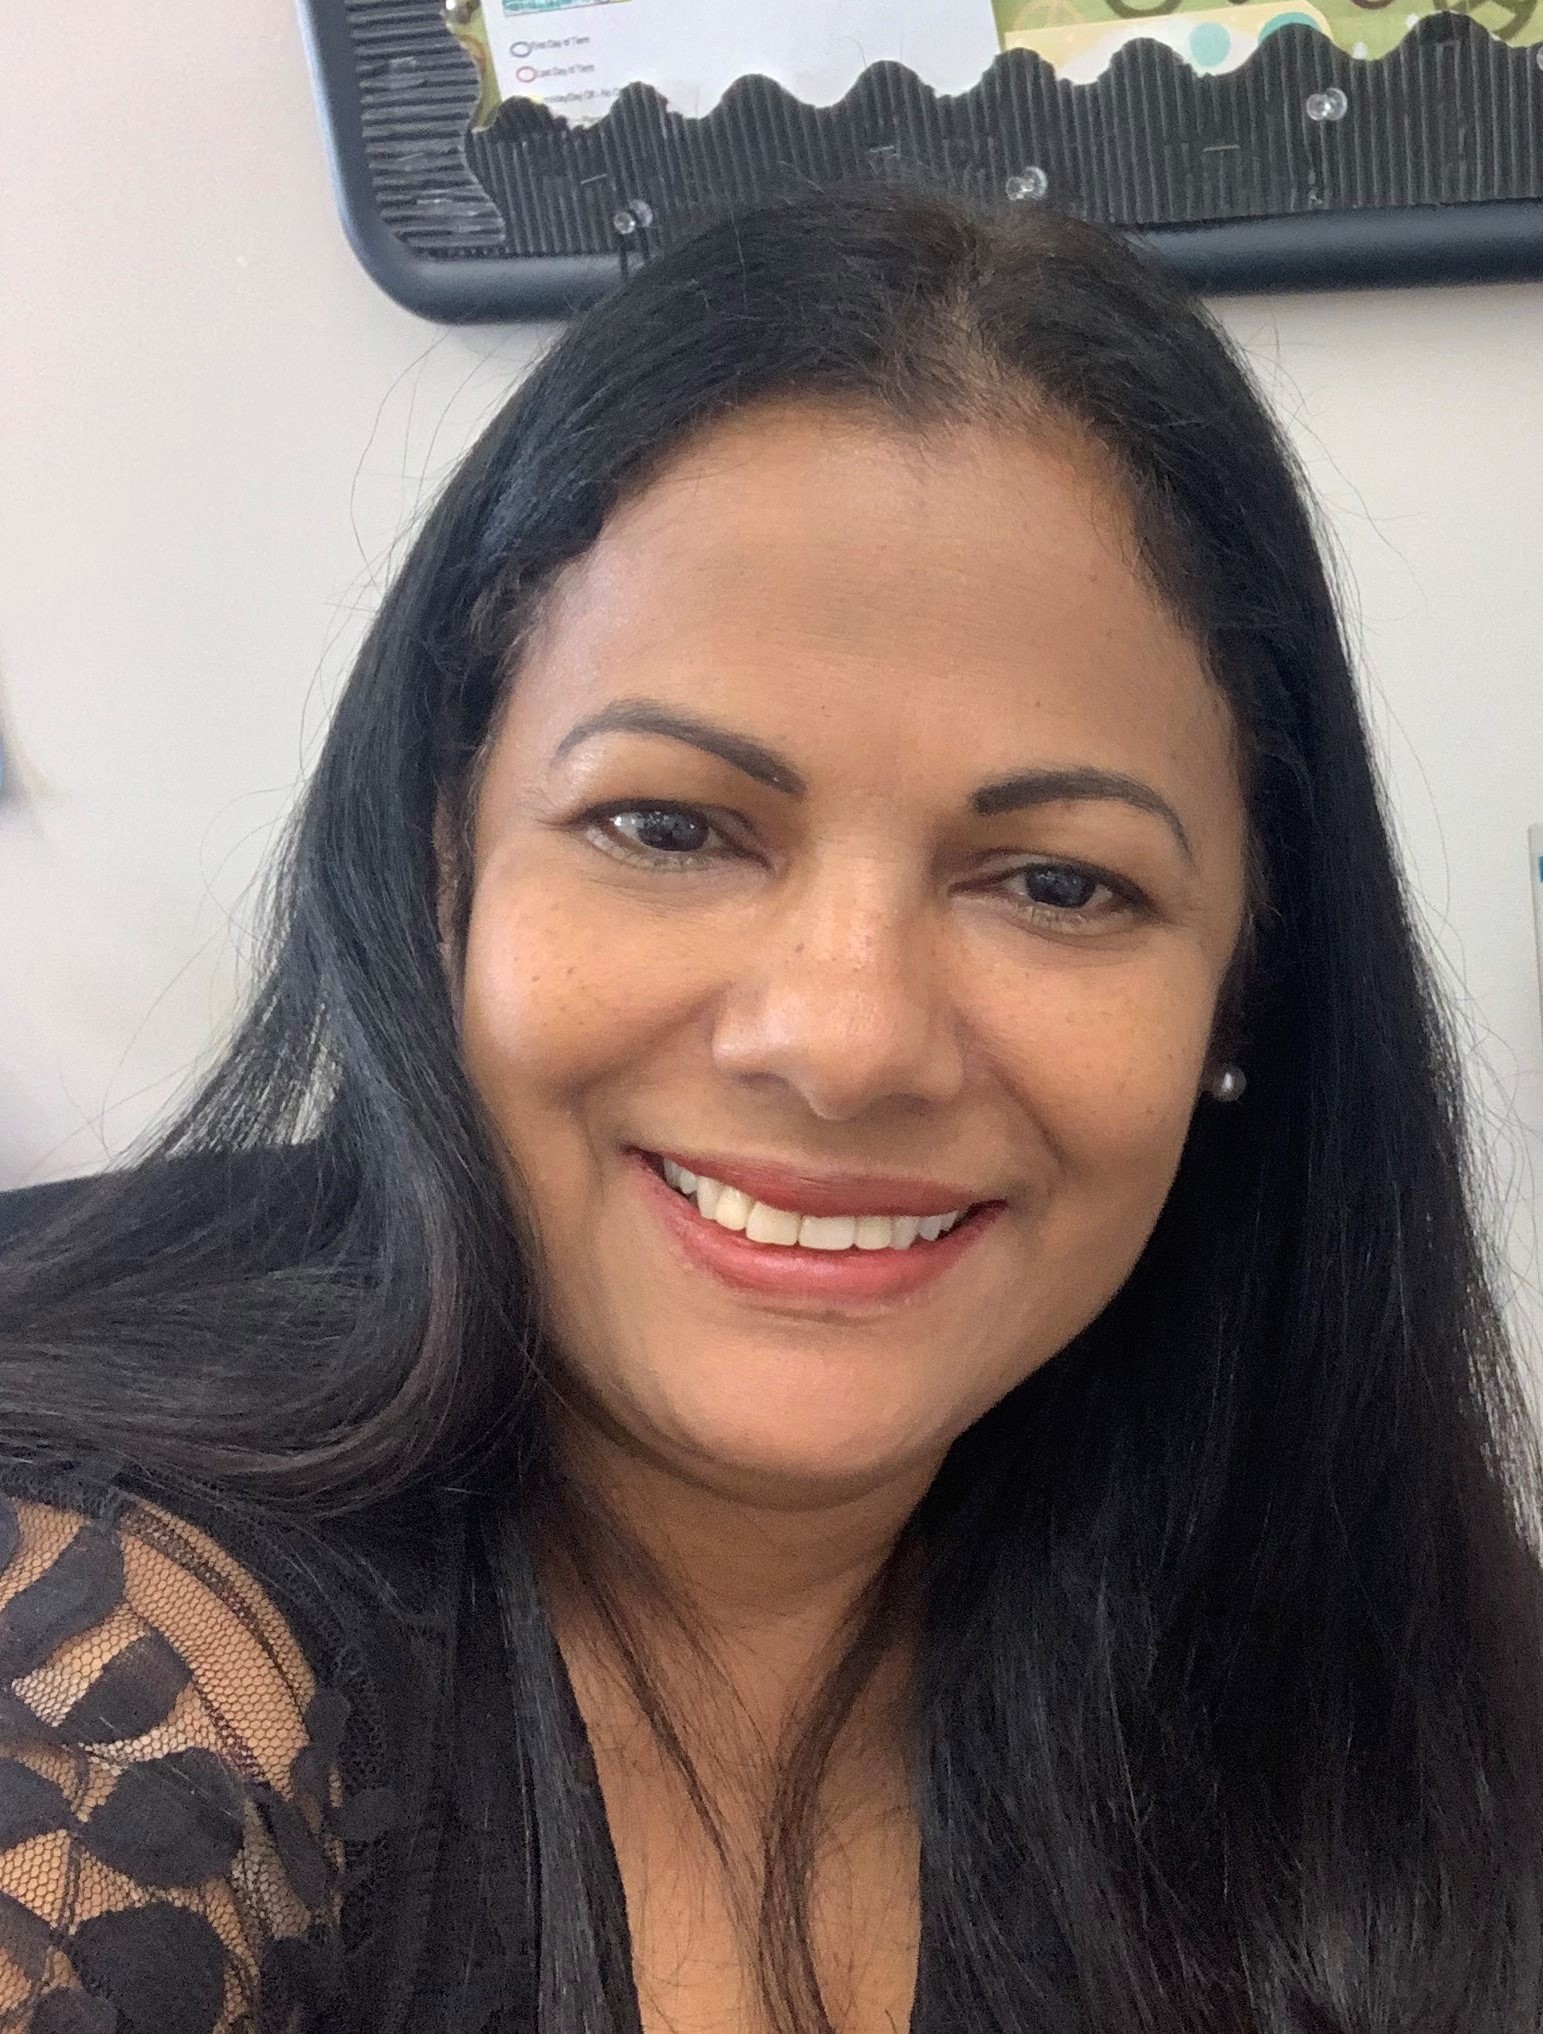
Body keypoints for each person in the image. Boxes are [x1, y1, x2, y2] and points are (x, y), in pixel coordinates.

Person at [1, 182, 1540, 2034]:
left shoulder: (1396, 1665)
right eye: (667, 826)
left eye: (1059, 882)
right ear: (447, 864)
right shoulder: (105, 1638)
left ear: (1245, 985)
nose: (846, 1038)